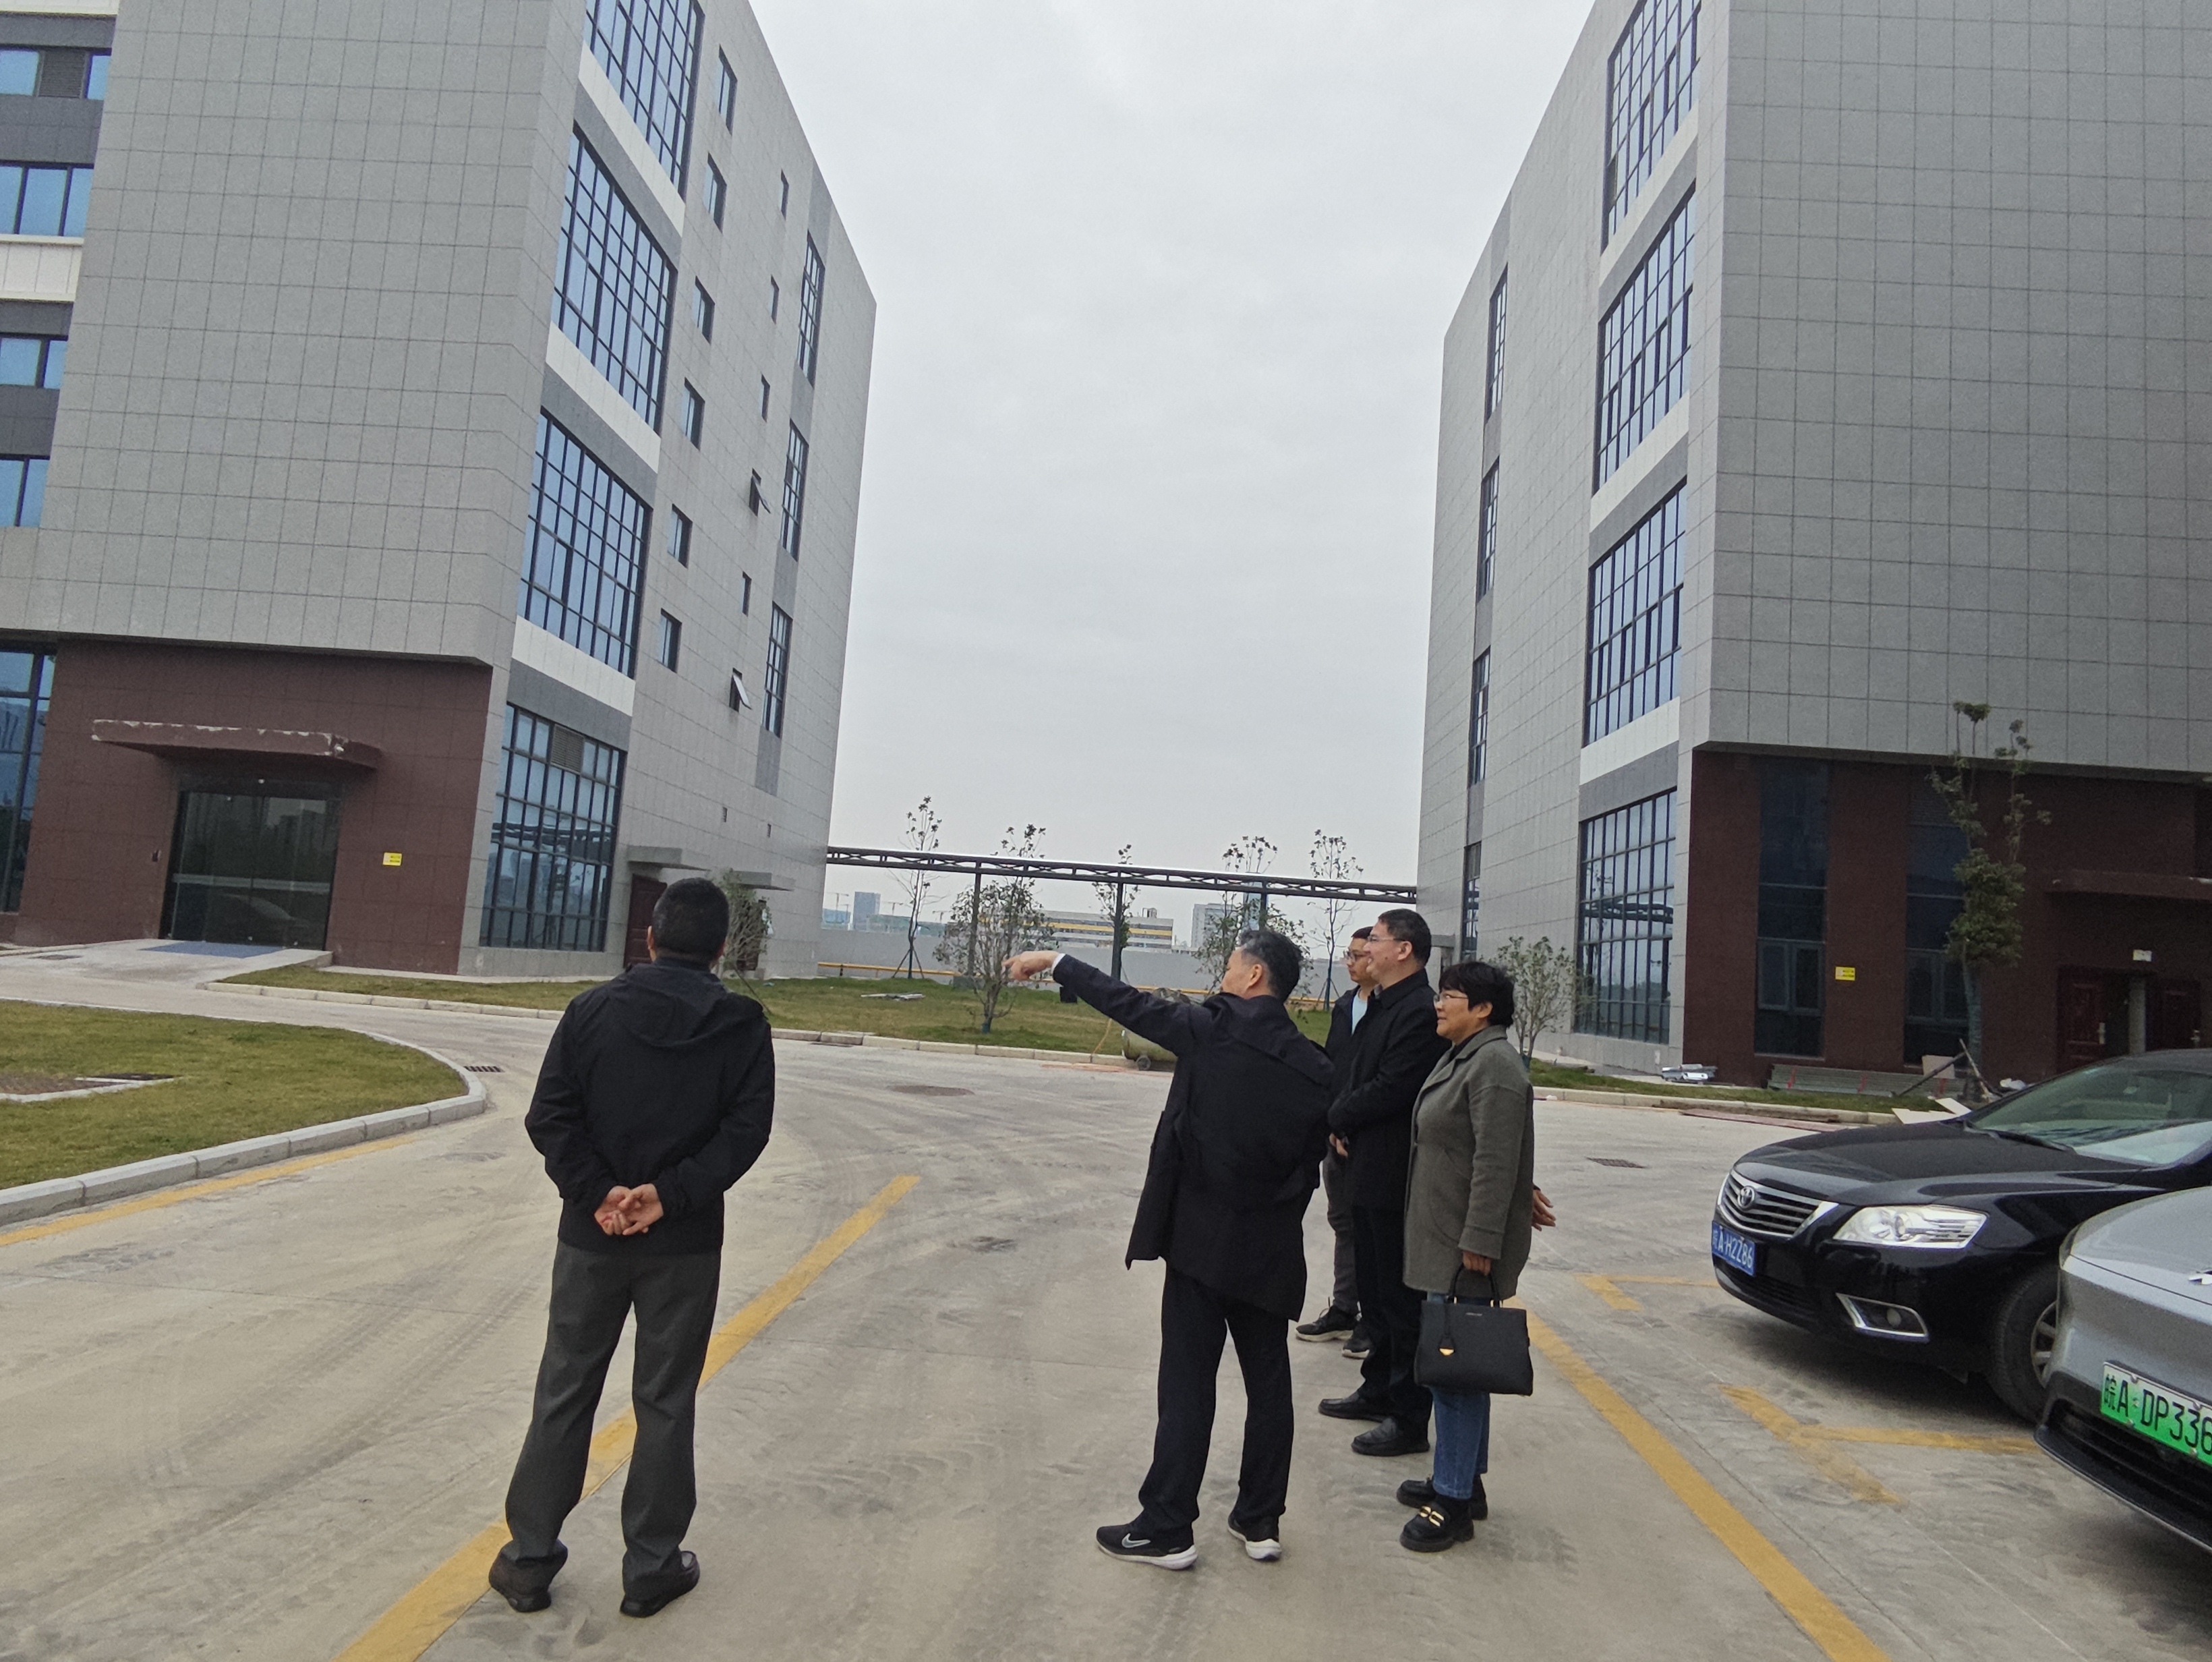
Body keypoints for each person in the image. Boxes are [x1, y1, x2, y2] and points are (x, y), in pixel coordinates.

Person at [490, 878, 776, 1620]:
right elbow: (745, 1131)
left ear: (649, 937)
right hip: (684, 1243)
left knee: (565, 1386)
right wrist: (667, 1196)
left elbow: (550, 1115)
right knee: (665, 1400)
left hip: (592, 1236)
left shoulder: (590, 1011)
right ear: (722, 949)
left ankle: (528, 1559)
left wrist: (598, 1193)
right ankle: (650, 1566)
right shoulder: (741, 1023)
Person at [1007, 929, 1332, 1570]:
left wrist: (1055, 962)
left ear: (1254, 976)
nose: (1224, 976)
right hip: (1270, 1248)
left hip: (1201, 1243)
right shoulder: (1316, 1068)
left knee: (1187, 1383)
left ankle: (1168, 1525)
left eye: (1232, 965)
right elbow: (1318, 1153)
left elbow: (1126, 1003)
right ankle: (1260, 1520)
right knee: (1269, 1385)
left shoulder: (1210, 1031)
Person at [1395, 958, 1535, 1551]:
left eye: (1449, 996)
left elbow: (1496, 1161)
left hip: (1463, 1245)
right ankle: (1463, 1480)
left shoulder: (1495, 1065)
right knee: (1460, 1365)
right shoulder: (1465, 1057)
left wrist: (1481, 1238)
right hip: (1445, 1235)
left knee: (1455, 1371)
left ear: (1482, 1010)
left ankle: (1451, 1504)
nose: (1438, 1004)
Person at [1319, 908, 1449, 1456]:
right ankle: (1376, 1389)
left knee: (1399, 1299)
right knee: (1374, 1291)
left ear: (1404, 950)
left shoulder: (1418, 1011)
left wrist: (1338, 1116)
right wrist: (1340, 1119)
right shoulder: (1380, 1004)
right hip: (1363, 1164)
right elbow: (1353, 1073)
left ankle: (1407, 1416)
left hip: (1395, 1173)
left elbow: (1393, 1087)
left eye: (1374, 939)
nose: (1366, 949)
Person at [1298, 927, 1374, 1350]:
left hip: (1370, 1136)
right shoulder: (1346, 1005)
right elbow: (1336, 1067)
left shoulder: (1394, 1010)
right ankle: (1345, 1308)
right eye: (1350, 954)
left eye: (1359, 955)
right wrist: (1333, 1123)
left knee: (1374, 1229)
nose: (1351, 963)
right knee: (1343, 1222)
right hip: (1338, 1132)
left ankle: (1374, 1320)